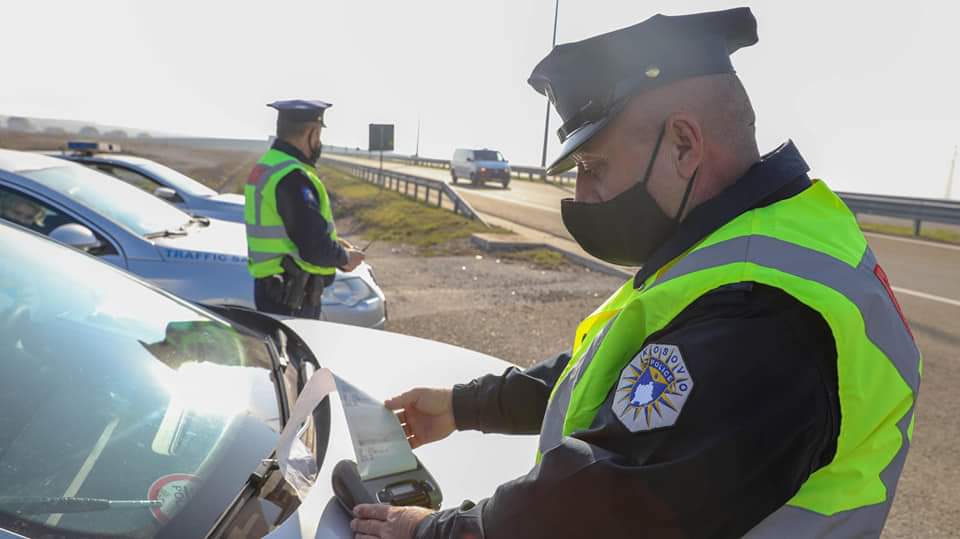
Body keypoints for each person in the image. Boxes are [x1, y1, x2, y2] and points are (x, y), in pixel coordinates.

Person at [351, 8, 921, 539]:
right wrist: (464, 406)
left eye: (593, 166)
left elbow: (608, 502)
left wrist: (434, 530)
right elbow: (625, 378)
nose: (580, 193)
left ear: (683, 144)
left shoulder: (766, 312)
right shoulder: (737, 247)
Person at [244, 99, 364, 318]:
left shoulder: (269, 165)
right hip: (292, 300)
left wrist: (335, 246)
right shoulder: (293, 176)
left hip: (273, 292)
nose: (319, 142)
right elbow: (313, 248)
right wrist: (346, 258)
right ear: (312, 133)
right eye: (318, 135)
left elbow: (288, 229)